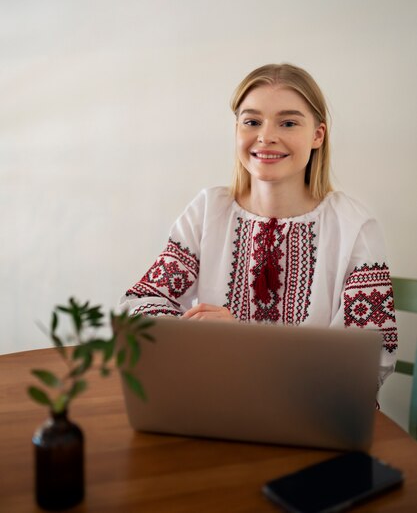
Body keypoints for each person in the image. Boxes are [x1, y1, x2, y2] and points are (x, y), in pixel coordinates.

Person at [118, 63, 397, 386]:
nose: (266, 137)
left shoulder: (354, 227)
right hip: (214, 400)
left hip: (312, 411)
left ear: (318, 135)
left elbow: (371, 355)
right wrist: (191, 329)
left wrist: (242, 341)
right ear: (237, 129)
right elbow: (136, 307)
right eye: (251, 121)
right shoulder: (208, 210)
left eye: (288, 122)